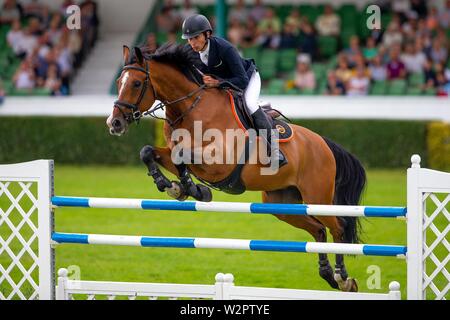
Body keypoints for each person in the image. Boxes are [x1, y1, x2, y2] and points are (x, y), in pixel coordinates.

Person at [181, 14, 287, 167]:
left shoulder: (225, 48)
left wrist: (217, 83)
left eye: (196, 37)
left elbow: (242, 80)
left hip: (248, 79)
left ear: (207, 34)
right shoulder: (189, 51)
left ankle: (276, 151)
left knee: (250, 104)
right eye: (189, 39)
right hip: (220, 85)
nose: (192, 43)